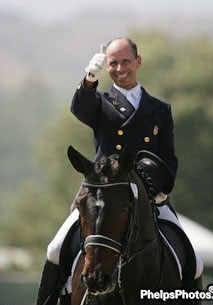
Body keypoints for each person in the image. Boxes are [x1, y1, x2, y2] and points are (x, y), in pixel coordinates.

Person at [36, 37, 203, 305]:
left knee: (196, 263)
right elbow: (80, 108)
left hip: (149, 196)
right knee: (55, 249)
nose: (119, 68)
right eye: (113, 63)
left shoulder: (160, 109)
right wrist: (90, 78)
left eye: (126, 61)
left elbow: (169, 159)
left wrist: (154, 183)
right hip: (102, 195)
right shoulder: (100, 102)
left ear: (138, 62)